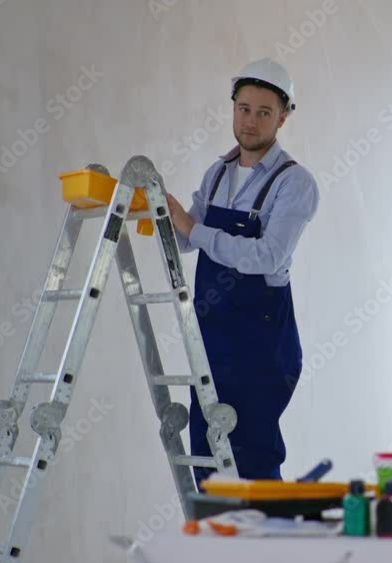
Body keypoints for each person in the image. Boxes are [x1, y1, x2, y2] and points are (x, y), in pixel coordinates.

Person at [166, 57, 320, 482]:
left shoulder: (294, 183)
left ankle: (264, 530)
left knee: (251, 460)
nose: (250, 121)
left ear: (283, 117)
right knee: (207, 455)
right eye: (244, 108)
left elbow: (267, 256)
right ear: (233, 107)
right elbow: (185, 240)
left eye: (264, 112)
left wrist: (193, 227)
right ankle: (212, 530)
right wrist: (155, 210)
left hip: (261, 346)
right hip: (211, 338)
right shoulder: (217, 174)